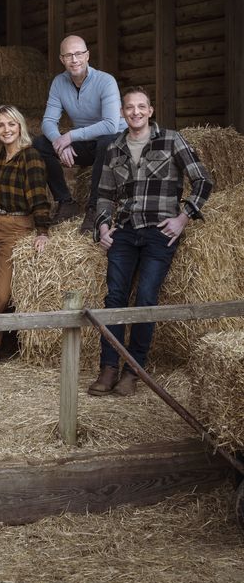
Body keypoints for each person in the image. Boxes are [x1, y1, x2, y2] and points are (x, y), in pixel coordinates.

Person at [88, 87, 213, 398]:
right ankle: (108, 367)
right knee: (115, 298)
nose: (136, 112)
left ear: (150, 110)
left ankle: (133, 371)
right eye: (130, 107)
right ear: (122, 113)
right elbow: (104, 195)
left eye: (141, 107)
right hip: (125, 231)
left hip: (160, 231)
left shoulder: (171, 140)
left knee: (145, 298)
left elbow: (202, 180)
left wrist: (183, 217)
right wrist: (103, 226)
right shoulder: (114, 147)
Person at [0, 105, 50, 366]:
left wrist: (42, 230)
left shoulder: (31, 156)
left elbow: (39, 195)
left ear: (20, 127)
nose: (6, 130)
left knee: (1, 292)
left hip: (16, 226)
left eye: (11, 124)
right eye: (0, 125)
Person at [33, 34, 126, 235]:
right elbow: (48, 122)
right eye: (68, 55)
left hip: (114, 145)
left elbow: (111, 126)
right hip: (87, 144)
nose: (74, 59)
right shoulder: (59, 83)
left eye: (78, 54)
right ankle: (65, 202)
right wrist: (59, 142)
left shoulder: (106, 81)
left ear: (87, 55)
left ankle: (94, 209)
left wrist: (70, 136)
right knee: (40, 144)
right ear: (62, 59)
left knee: (106, 142)